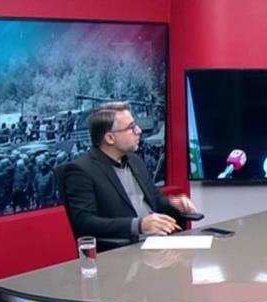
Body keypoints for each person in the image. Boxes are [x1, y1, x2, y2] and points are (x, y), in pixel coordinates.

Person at [63, 101, 198, 249]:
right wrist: (138, 225)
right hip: (126, 249)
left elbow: (155, 198)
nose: (139, 131)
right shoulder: (81, 170)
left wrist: (174, 203)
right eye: (131, 127)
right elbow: (85, 222)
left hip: (160, 242)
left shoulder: (135, 160)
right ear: (110, 138)